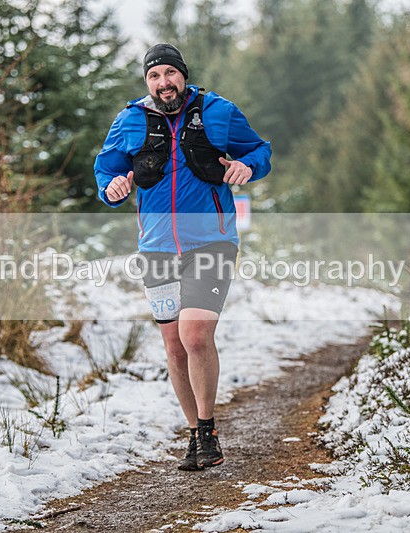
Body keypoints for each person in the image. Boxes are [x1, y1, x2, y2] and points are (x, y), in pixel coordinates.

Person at [94, 43, 271, 470]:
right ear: (147, 83)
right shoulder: (129, 120)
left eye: (169, 74)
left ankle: (207, 429)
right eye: (154, 76)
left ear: (183, 76)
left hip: (211, 241)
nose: (163, 83)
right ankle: (195, 433)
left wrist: (249, 167)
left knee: (194, 335)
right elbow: (107, 168)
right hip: (155, 247)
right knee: (174, 346)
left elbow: (260, 151)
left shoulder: (219, 111)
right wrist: (112, 187)